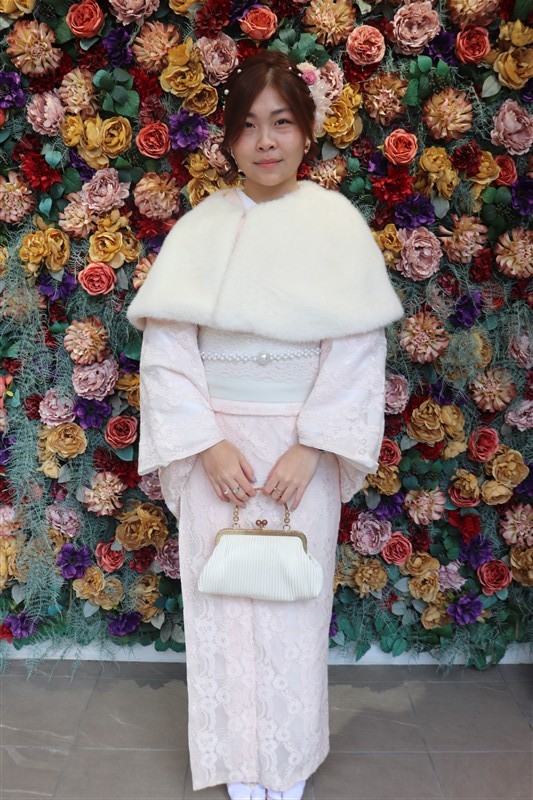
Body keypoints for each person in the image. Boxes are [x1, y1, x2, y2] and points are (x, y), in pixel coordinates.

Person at [127, 51, 403, 800]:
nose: (266, 142)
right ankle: (234, 760)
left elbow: (356, 351)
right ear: (229, 141)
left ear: (306, 133)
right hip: (215, 446)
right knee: (220, 602)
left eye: (281, 123)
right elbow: (168, 352)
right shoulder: (201, 228)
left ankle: (285, 758)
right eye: (248, 126)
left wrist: (312, 447)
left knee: (292, 602)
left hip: (298, 451)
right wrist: (204, 443)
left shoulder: (336, 225)